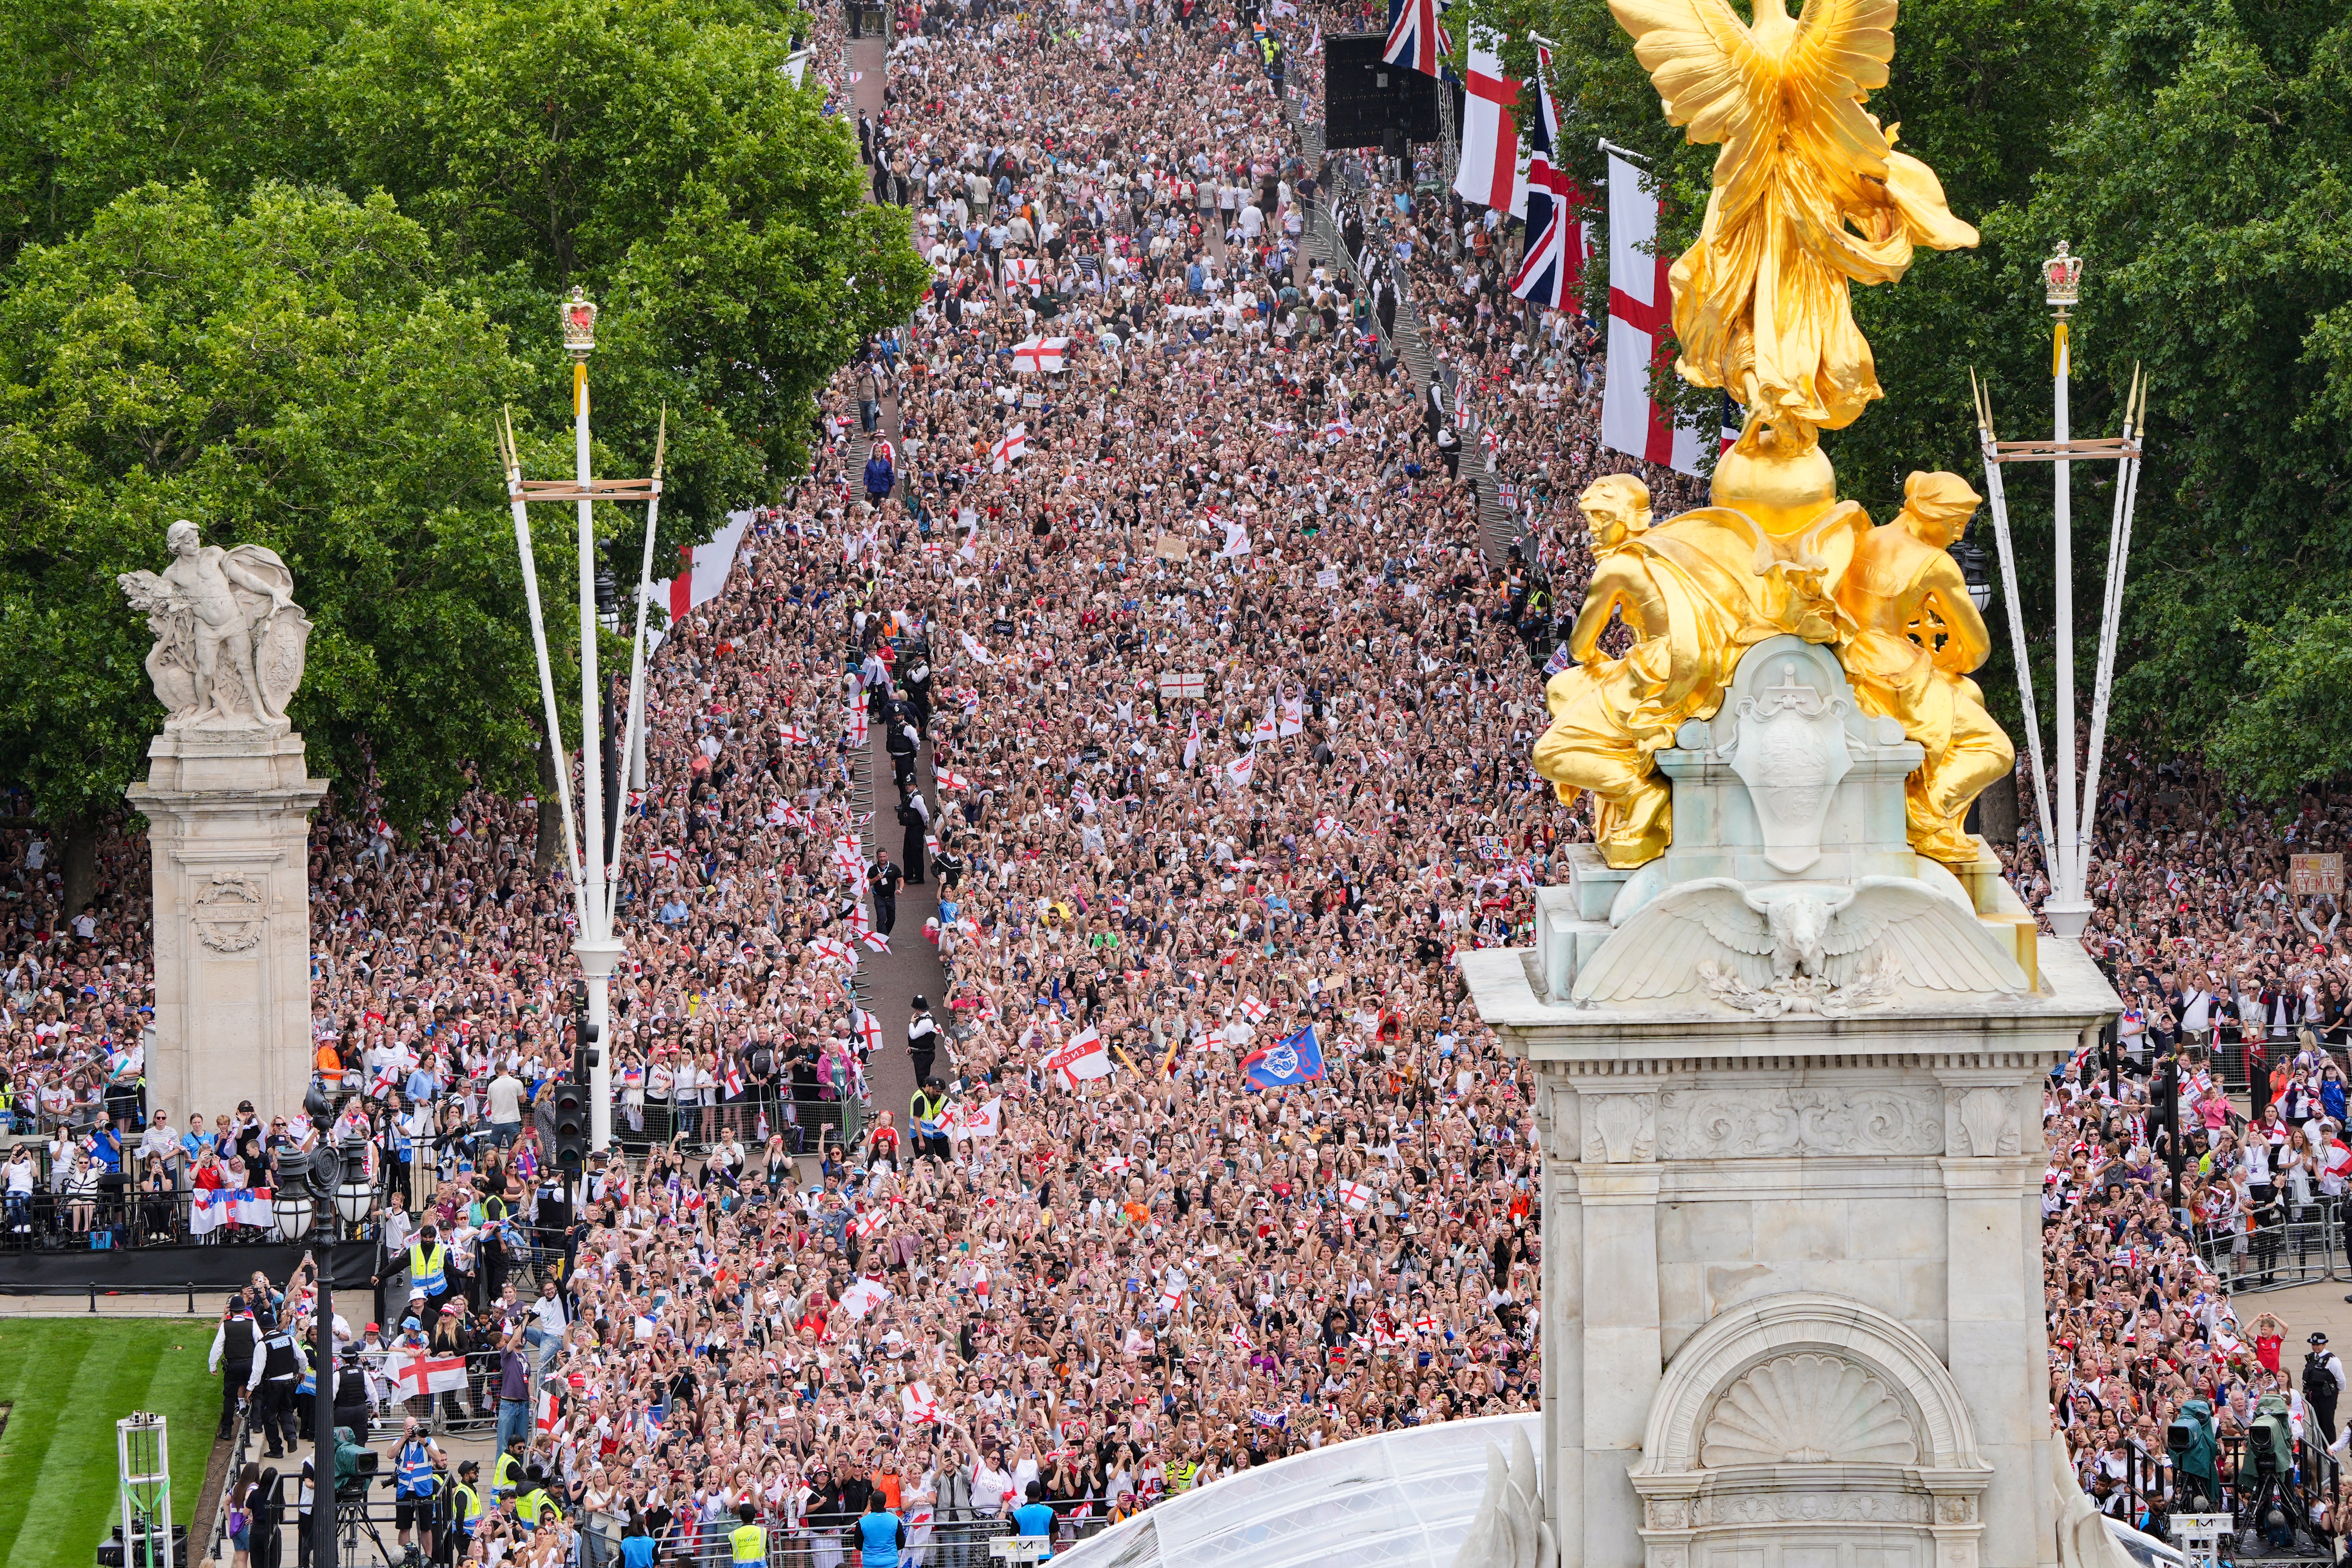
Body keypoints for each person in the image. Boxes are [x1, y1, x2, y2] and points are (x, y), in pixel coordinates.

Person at [392, 1418, 446, 1565]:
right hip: (404, 1491)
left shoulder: (428, 1441)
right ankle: (405, 1559)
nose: (412, 1431)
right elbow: (391, 1454)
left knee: (426, 1528)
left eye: (414, 1427)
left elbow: (438, 1458)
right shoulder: (400, 1442)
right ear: (404, 1429)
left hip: (424, 1491)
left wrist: (425, 1443)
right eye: (409, 1428)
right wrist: (404, 1438)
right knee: (404, 1527)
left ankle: (429, 1559)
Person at [857, 1492, 905, 1568]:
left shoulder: (862, 1521)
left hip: (870, 1563)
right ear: (885, 1502)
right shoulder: (895, 1520)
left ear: (872, 1502)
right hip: (890, 1562)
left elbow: (858, 1544)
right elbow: (901, 1543)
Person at [1011, 1480, 1056, 1555]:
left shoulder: (1017, 1514)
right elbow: (1055, 1535)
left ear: (1026, 1494)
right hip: (1045, 1555)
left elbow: (1014, 1536)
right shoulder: (1049, 1512)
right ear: (1040, 1494)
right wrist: (1046, 1546)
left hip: (1025, 1555)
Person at [907, 996, 940, 1089]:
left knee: (923, 1082)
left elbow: (913, 1035)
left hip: (924, 1055)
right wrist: (912, 1047)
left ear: (917, 1009)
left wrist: (911, 1022)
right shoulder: (927, 1018)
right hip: (922, 1052)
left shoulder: (926, 1022)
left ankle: (928, 1097)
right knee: (922, 1080)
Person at [871, 853, 903, 936]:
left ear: (887, 856)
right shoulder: (873, 869)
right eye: (880, 857)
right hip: (879, 897)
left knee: (892, 919)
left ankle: (885, 934)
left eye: (884, 857)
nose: (882, 859)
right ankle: (883, 938)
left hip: (891, 897)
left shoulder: (894, 867)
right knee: (881, 918)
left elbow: (901, 880)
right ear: (877, 857)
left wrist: (901, 889)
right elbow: (868, 882)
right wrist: (876, 879)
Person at [729, 1501, 766, 1567]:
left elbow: (732, 1551)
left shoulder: (734, 1534)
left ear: (741, 1517)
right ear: (755, 1516)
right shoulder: (763, 1531)